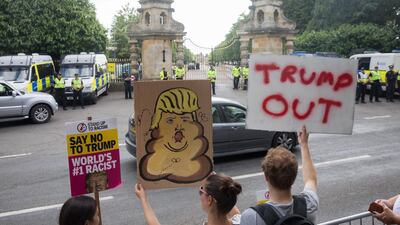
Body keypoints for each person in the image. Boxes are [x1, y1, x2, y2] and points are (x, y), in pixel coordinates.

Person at [240, 125, 318, 225]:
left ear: (266, 177)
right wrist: (304, 144)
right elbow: (311, 179)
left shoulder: (252, 217)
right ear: (294, 177)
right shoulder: (309, 204)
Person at [135, 173, 242, 225]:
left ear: (209, 200)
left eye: (201, 190)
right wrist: (218, 182)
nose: (199, 193)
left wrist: (143, 199)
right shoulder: (241, 221)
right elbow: (233, 208)